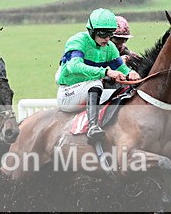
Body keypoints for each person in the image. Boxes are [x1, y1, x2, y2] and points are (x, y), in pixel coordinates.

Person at [55, 8, 139, 143]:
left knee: (123, 92)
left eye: (110, 34)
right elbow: (73, 66)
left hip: (87, 92)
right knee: (96, 83)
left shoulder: (110, 47)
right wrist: (105, 71)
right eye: (102, 34)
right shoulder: (78, 41)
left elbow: (121, 68)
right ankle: (92, 127)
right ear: (92, 31)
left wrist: (131, 73)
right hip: (68, 93)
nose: (107, 39)